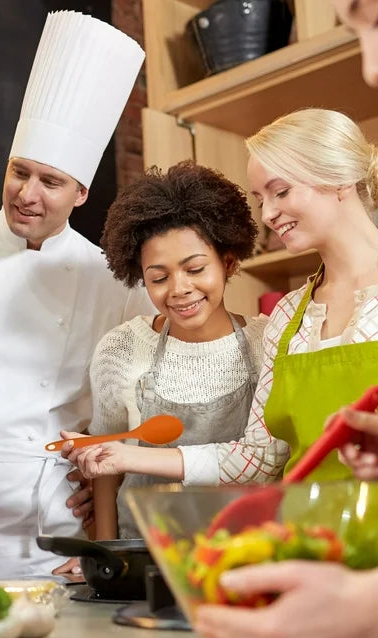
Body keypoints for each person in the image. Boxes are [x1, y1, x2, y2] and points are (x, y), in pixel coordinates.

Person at [195, 1, 378, 638]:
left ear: (338, 179)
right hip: (314, 582)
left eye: (281, 189)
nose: (268, 212)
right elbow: (258, 458)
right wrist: (135, 455)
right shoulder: (286, 321)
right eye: (260, 197)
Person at [0, 11, 154, 578]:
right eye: (20, 172)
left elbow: (145, 409)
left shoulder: (115, 279)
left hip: (54, 526)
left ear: (81, 192)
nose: (27, 194)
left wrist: (104, 497)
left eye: (50, 182)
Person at [64, 161, 268, 539]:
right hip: (144, 551)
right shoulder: (122, 350)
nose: (178, 289)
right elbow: (108, 471)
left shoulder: (266, 342)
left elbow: (269, 459)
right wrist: (109, 557)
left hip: (245, 552)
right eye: (158, 278)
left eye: (195, 269)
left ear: (227, 262)